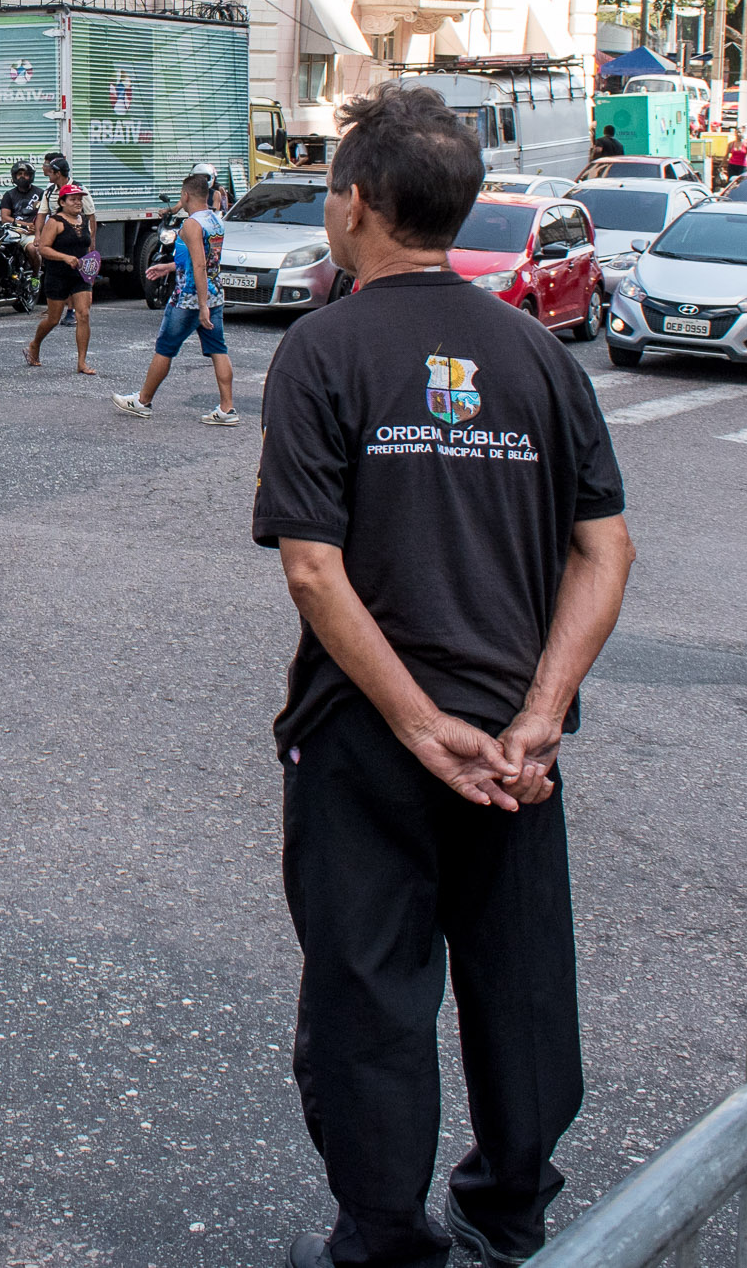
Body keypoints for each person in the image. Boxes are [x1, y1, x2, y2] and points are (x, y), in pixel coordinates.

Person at [251, 84, 633, 1268]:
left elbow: (313, 570)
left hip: (369, 733)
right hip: (514, 746)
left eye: (330, 191)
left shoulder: (321, 349)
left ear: (356, 204)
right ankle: (508, 1210)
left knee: (369, 993)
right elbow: (605, 549)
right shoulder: (536, 353)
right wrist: (540, 714)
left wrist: (418, 725)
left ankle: (381, 1240)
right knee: (522, 985)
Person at [117, 167, 237, 425]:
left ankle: (143, 401)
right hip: (214, 293)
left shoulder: (192, 224)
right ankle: (227, 408)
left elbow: (200, 265)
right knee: (218, 349)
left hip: (189, 298)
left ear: (185, 195)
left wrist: (201, 305)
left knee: (165, 348)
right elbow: (205, 261)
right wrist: (170, 267)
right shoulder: (215, 220)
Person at [26, 183, 99, 374]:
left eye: (79, 199)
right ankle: (35, 344)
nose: (78, 203)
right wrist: (65, 257)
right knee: (53, 319)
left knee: (83, 315)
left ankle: (82, 362)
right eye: (73, 199)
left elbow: (87, 246)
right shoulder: (55, 222)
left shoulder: (83, 220)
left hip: (80, 275)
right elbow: (43, 249)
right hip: (58, 275)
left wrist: (91, 267)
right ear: (62, 202)